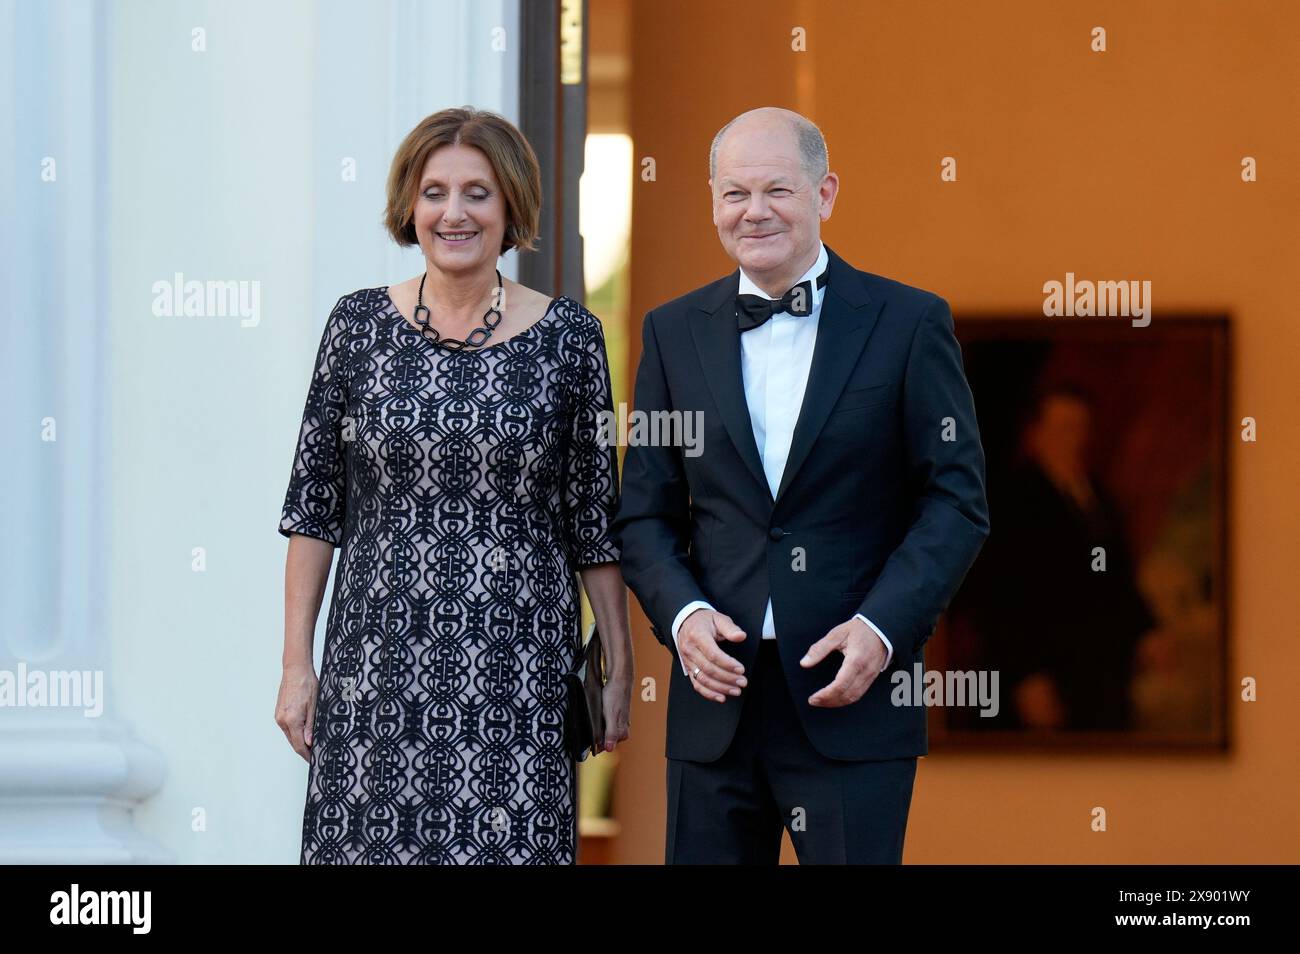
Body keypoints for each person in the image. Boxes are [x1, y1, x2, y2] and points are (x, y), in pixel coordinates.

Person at [612, 107, 989, 864]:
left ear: (825, 194)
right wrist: (683, 617)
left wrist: (881, 629)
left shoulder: (910, 323)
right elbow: (642, 515)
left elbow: (956, 503)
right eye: (733, 194)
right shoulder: (671, 331)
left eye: (777, 189)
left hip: (853, 699)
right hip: (715, 707)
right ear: (713, 202)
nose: (754, 212)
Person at [274, 106, 631, 864]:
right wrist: (296, 668)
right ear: (410, 206)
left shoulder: (571, 340)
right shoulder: (356, 328)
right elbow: (314, 509)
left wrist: (618, 666)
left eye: (478, 192)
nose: (454, 212)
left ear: (512, 209)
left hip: (518, 672)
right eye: (434, 192)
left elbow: (595, 520)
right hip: (375, 670)